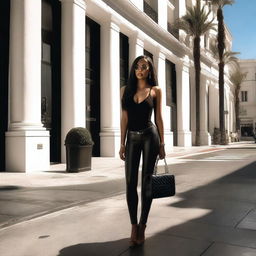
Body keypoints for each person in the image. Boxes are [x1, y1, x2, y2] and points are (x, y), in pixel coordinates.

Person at [119, 55, 166, 247]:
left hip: (150, 136)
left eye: (144, 67)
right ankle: (133, 225)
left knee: (147, 183)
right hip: (132, 137)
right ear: (133, 69)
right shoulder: (125, 90)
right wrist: (122, 143)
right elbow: (124, 118)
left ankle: (142, 225)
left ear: (149, 70)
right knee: (130, 182)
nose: (140, 70)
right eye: (137, 67)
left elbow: (159, 118)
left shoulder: (155, 91)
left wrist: (162, 144)